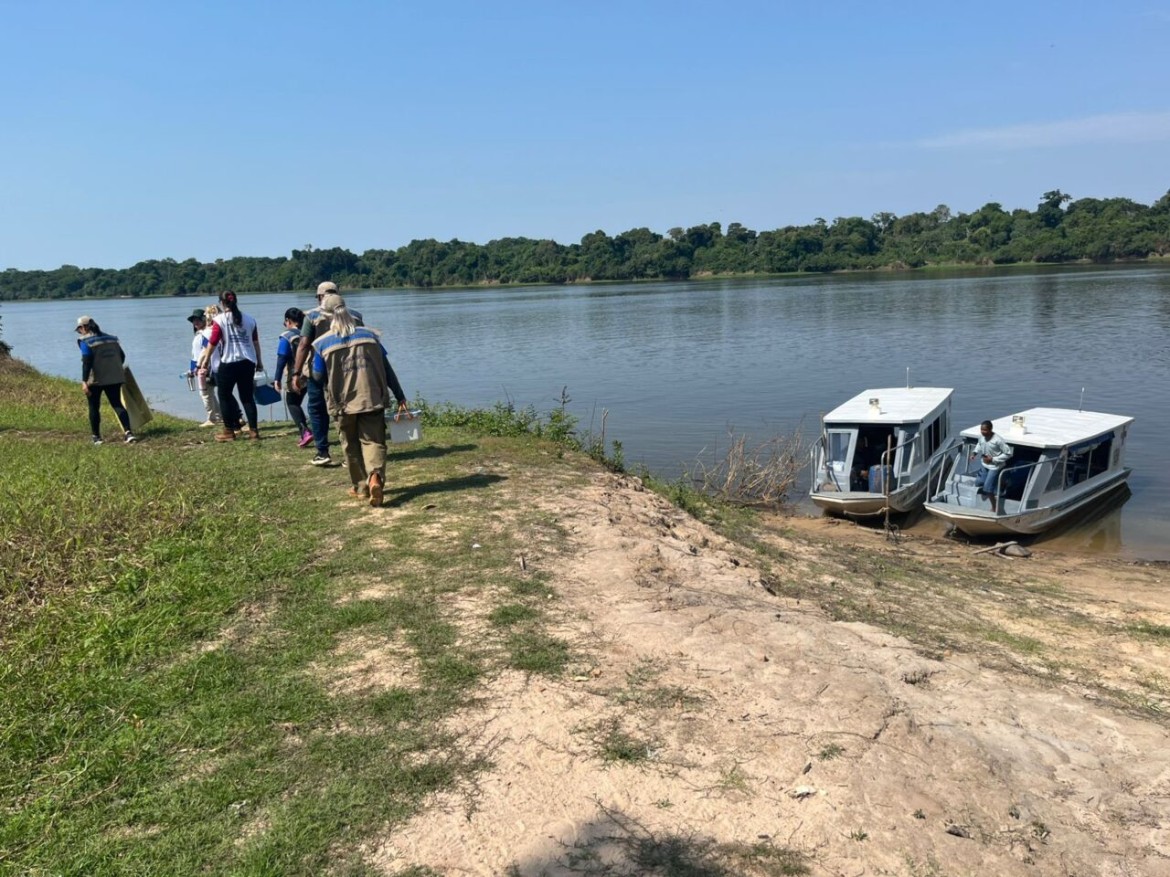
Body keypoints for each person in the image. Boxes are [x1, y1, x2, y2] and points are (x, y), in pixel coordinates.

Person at [313, 295, 409, 506]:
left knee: (350, 444)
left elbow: (318, 376)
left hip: (342, 402)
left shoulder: (321, 343)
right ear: (347, 311)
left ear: (327, 318)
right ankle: (375, 476)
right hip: (371, 397)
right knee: (374, 440)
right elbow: (386, 367)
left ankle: (361, 487)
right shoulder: (371, 336)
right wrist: (400, 394)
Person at [291, 281, 363, 466]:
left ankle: (323, 451)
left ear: (320, 297)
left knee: (317, 409)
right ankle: (352, 453)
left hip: (319, 370)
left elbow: (304, 345)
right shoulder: (355, 315)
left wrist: (296, 373)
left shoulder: (312, 316)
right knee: (348, 409)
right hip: (349, 369)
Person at [199, 290, 263, 442]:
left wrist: (206, 360)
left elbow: (213, 342)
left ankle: (229, 431)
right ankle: (254, 431)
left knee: (224, 395)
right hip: (248, 362)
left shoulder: (219, 320)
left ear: (222, 303)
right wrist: (259, 361)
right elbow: (255, 343)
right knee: (247, 397)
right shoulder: (250, 320)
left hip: (229, 362)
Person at [75, 315, 137, 445]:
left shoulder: (85, 341)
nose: (79, 332)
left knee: (94, 407)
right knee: (117, 404)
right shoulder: (111, 338)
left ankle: (96, 437)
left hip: (95, 380)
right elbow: (122, 356)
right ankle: (128, 433)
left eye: (79, 329)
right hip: (114, 377)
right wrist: (113, 368)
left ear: (83, 327)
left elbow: (87, 361)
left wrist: (84, 381)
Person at [274, 307, 313, 447]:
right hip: (312, 372)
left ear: (288, 321)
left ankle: (305, 431)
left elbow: (282, 357)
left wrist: (277, 378)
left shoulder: (287, 335)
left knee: (292, 402)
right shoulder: (308, 332)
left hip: (295, 373)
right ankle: (311, 430)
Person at [186, 308, 220, 427]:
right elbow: (194, 354)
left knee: (205, 394)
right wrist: (191, 368)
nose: (195, 323)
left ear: (205, 320)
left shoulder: (206, 334)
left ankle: (212, 418)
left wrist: (199, 366)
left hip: (206, 368)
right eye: (194, 321)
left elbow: (205, 351)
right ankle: (217, 416)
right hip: (200, 367)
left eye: (198, 320)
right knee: (210, 394)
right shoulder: (199, 335)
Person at [971, 419, 1013, 512]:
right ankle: (1002, 483)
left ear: (990, 430)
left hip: (995, 466)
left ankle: (994, 507)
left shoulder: (998, 440)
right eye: (981, 429)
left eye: (985, 430)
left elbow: (1008, 453)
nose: (983, 432)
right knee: (978, 482)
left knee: (988, 488)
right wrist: (974, 453)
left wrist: (993, 459)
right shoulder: (981, 437)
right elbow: (979, 444)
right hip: (985, 464)